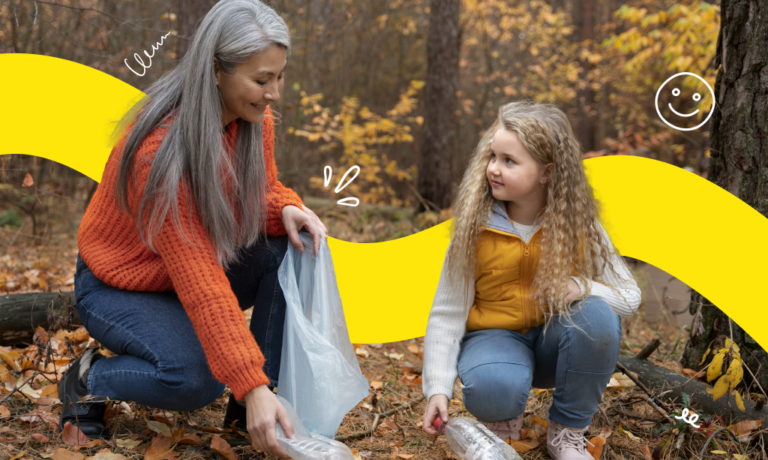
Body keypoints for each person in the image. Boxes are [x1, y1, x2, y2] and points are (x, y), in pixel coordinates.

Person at [59, 1, 326, 457]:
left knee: (288, 246)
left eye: (279, 76)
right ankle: (88, 379)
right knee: (195, 380)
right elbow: (200, 275)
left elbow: (253, 193)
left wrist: (284, 207)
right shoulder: (159, 151)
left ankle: (258, 413)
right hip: (120, 284)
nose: (274, 92)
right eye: (261, 80)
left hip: (181, 269)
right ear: (216, 71)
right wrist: (247, 379)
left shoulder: (251, 120)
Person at [420, 101, 641, 460]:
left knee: (598, 317)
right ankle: (503, 423)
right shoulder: (474, 230)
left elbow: (630, 297)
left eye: (509, 161)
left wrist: (580, 287)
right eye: (493, 156)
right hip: (494, 342)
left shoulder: (580, 227)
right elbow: (446, 314)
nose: (493, 168)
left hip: (556, 344)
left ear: (547, 172)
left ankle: (567, 435)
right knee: (495, 388)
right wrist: (437, 390)